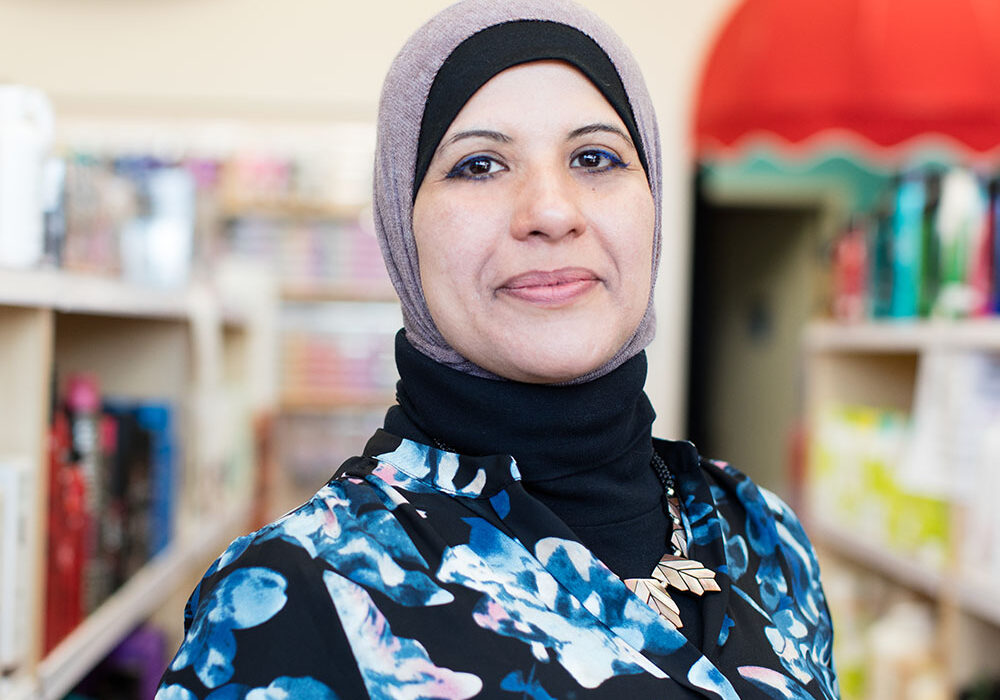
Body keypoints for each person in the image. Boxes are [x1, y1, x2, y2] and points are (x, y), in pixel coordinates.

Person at [157, 1, 839, 698]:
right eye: (480, 165)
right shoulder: (294, 599)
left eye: (595, 158)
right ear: (401, 226)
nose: (550, 212)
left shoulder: (767, 540)